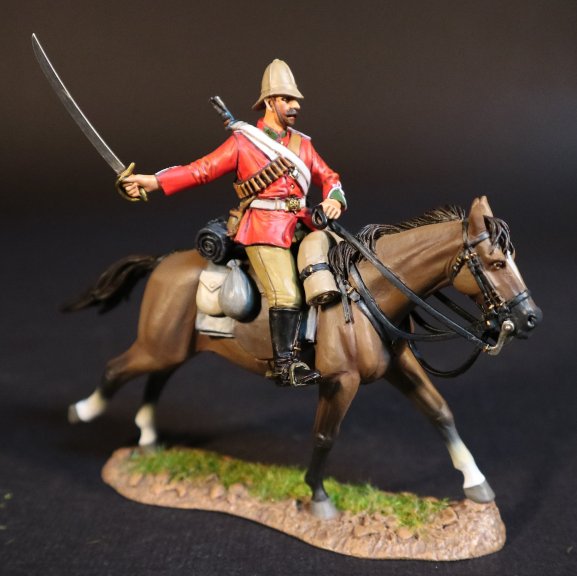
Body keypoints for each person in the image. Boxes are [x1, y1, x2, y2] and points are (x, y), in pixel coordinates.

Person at [122, 59, 347, 387]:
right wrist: (154, 181)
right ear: (270, 102)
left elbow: (330, 176)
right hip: (263, 229)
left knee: (339, 267)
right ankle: (286, 364)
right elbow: (201, 170)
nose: (295, 106)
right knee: (286, 294)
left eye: (296, 99)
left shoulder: (303, 144)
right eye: (287, 99)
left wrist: (334, 199)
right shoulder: (244, 142)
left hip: (302, 222)